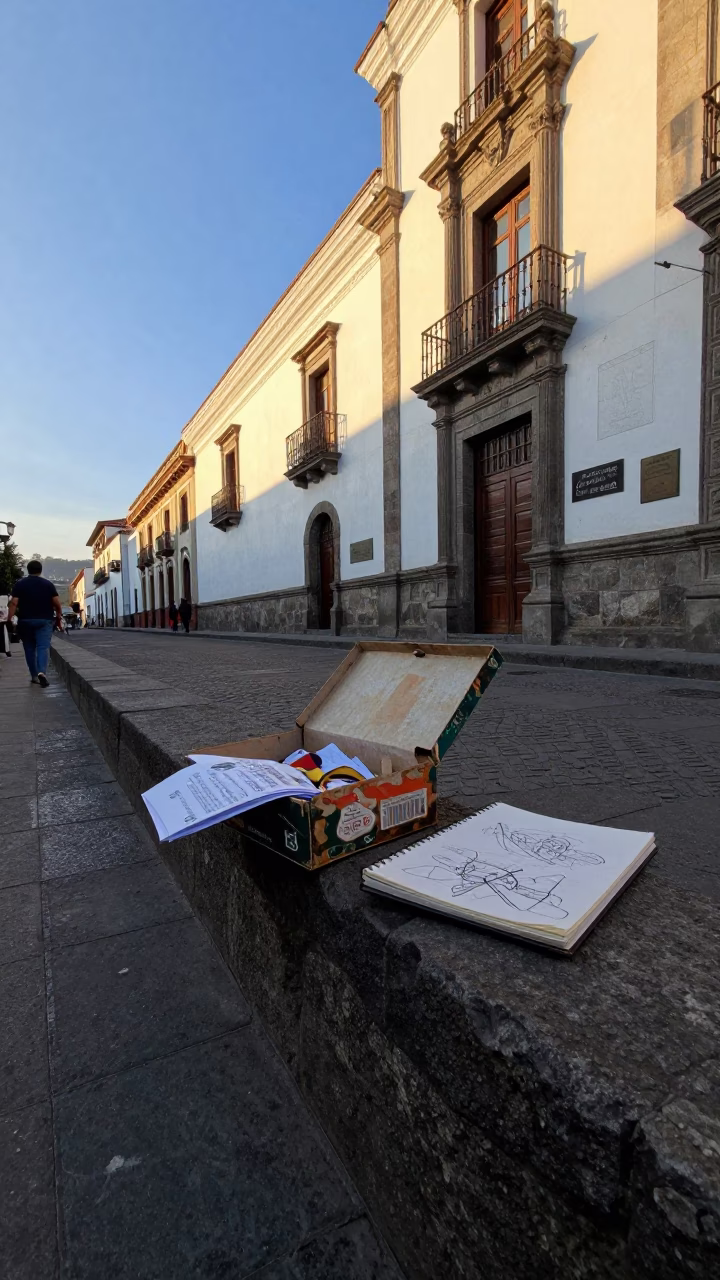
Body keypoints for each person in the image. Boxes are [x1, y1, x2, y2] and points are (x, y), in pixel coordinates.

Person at [7, 560, 63, 687]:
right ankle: (42, 672)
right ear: (40, 570)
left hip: (25, 621)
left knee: (29, 648)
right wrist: (59, 616)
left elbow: (14, 603)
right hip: (44, 620)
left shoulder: (20, 584)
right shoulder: (48, 584)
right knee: (43, 647)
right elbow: (57, 603)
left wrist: (9, 619)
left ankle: (34, 675)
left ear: (28, 570)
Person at [0, 595, 11, 659]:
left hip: (2, 623)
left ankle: (6, 651)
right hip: (2, 622)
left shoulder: (5, 606)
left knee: (4, 638)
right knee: (4, 638)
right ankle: (6, 651)